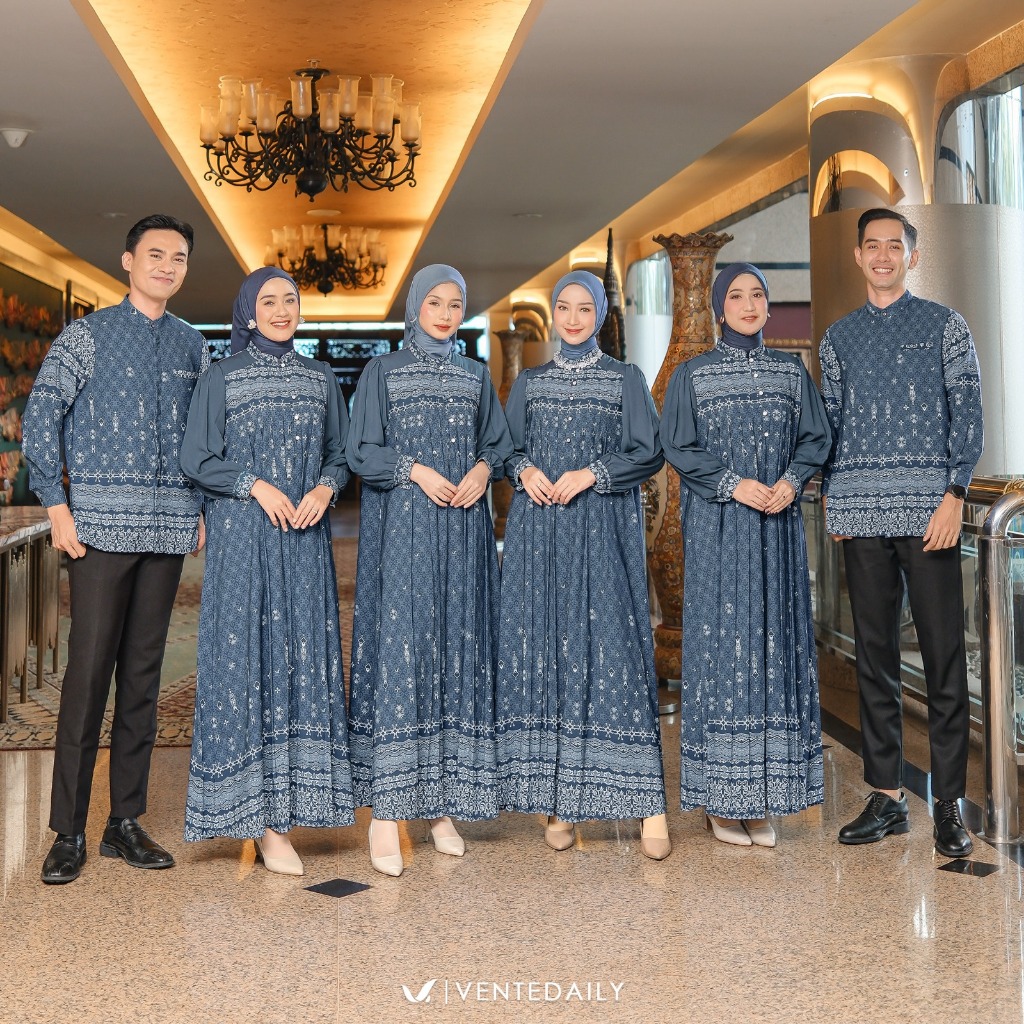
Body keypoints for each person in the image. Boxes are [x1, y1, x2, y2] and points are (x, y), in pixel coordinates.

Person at [22, 214, 207, 884]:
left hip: (168, 530)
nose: (166, 266)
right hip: (97, 529)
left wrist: (201, 507)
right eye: (155, 254)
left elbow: (203, 436)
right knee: (87, 676)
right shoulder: (87, 336)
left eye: (178, 258)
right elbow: (42, 415)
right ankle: (67, 830)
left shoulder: (193, 345)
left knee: (143, 681)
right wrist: (56, 504)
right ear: (128, 261)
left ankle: (123, 821)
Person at [179, 267, 355, 875]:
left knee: (300, 659)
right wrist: (254, 485)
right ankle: (256, 818)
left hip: (304, 539)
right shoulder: (221, 376)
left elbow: (340, 452)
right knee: (244, 661)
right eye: (269, 301)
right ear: (248, 313)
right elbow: (196, 456)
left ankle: (289, 808)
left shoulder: (320, 376)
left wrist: (326, 487)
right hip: (242, 537)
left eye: (291, 300)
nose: (282, 310)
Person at [820, 208, 984, 858]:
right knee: (874, 659)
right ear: (859, 256)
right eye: (873, 246)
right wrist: (833, 497)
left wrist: (955, 494)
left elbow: (967, 412)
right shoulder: (837, 339)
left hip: (930, 516)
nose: (883, 255)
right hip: (860, 514)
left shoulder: (945, 326)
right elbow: (830, 423)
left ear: (912, 257)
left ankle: (948, 804)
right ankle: (887, 796)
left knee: (943, 659)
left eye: (895, 245)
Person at [346, 264, 513, 877]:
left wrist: (482, 471)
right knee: (403, 653)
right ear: (415, 304)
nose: (445, 314)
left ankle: (440, 803)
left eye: (455, 304)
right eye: (434, 302)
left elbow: (498, 443)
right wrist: (415, 470)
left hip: (463, 533)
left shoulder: (474, 375)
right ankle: (386, 811)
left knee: (452, 654)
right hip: (403, 531)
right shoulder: (382, 371)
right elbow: (360, 450)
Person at [496, 270, 670, 859]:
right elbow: (506, 448)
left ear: (600, 314)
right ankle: (559, 801)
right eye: (564, 308)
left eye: (584, 308)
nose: (573, 319)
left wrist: (592, 474)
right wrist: (524, 470)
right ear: (554, 313)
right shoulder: (531, 383)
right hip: (539, 536)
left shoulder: (625, 379)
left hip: (602, 532)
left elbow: (648, 452)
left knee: (616, 651)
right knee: (552, 653)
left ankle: (647, 803)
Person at [661, 262, 831, 847]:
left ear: (769, 305)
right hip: (719, 527)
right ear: (719, 307)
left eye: (758, 294)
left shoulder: (791, 372)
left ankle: (761, 797)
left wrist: (792, 479)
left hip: (776, 530)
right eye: (736, 295)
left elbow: (815, 437)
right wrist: (733, 484)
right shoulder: (692, 374)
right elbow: (677, 444)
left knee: (773, 647)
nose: (749, 304)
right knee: (724, 649)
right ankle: (721, 800)